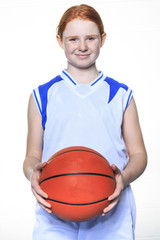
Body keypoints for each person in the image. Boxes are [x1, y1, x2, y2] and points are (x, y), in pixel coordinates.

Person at [23, 4, 147, 240]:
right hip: (55, 207)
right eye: (73, 39)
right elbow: (31, 156)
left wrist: (124, 177)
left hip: (110, 208)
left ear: (103, 39)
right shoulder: (42, 95)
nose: (82, 46)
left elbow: (139, 155)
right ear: (60, 41)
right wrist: (32, 174)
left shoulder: (121, 95)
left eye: (90, 38)